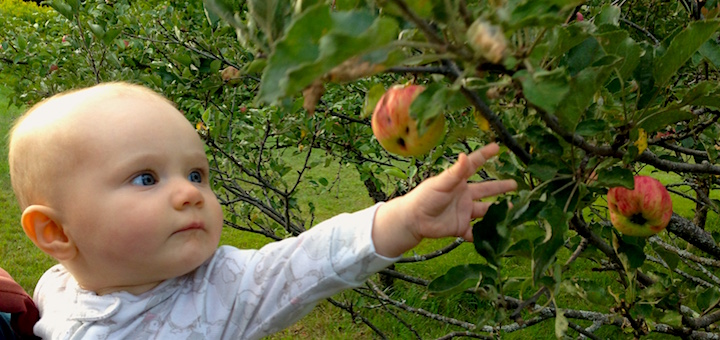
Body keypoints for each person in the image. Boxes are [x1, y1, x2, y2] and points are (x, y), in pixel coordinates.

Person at [8, 82, 517, 339]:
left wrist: (403, 219)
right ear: (56, 232)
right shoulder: (53, 288)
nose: (190, 194)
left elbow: (307, 261)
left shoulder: (218, 291)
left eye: (197, 175)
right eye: (146, 178)